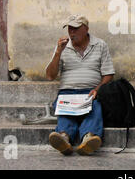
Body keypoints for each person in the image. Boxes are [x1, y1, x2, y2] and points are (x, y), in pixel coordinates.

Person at [45, 14, 115, 155]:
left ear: (86, 29)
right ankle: (64, 138)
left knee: (95, 105)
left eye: (76, 29)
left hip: (90, 91)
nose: (72, 32)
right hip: (68, 92)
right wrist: (58, 52)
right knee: (65, 107)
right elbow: (50, 76)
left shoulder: (100, 45)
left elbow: (108, 74)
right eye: (70, 29)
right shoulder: (62, 48)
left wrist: (97, 89)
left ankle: (88, 138)